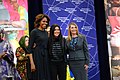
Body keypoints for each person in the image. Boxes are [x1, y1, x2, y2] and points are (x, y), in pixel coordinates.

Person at [27, 14, 50, 80]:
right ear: (39, 21)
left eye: (46, 21)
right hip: (37, 56)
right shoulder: (34, 32)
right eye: (43, 21)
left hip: (45, 56)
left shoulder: (46, 33)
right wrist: (32, 63)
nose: (45, 23)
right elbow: (30, 48)